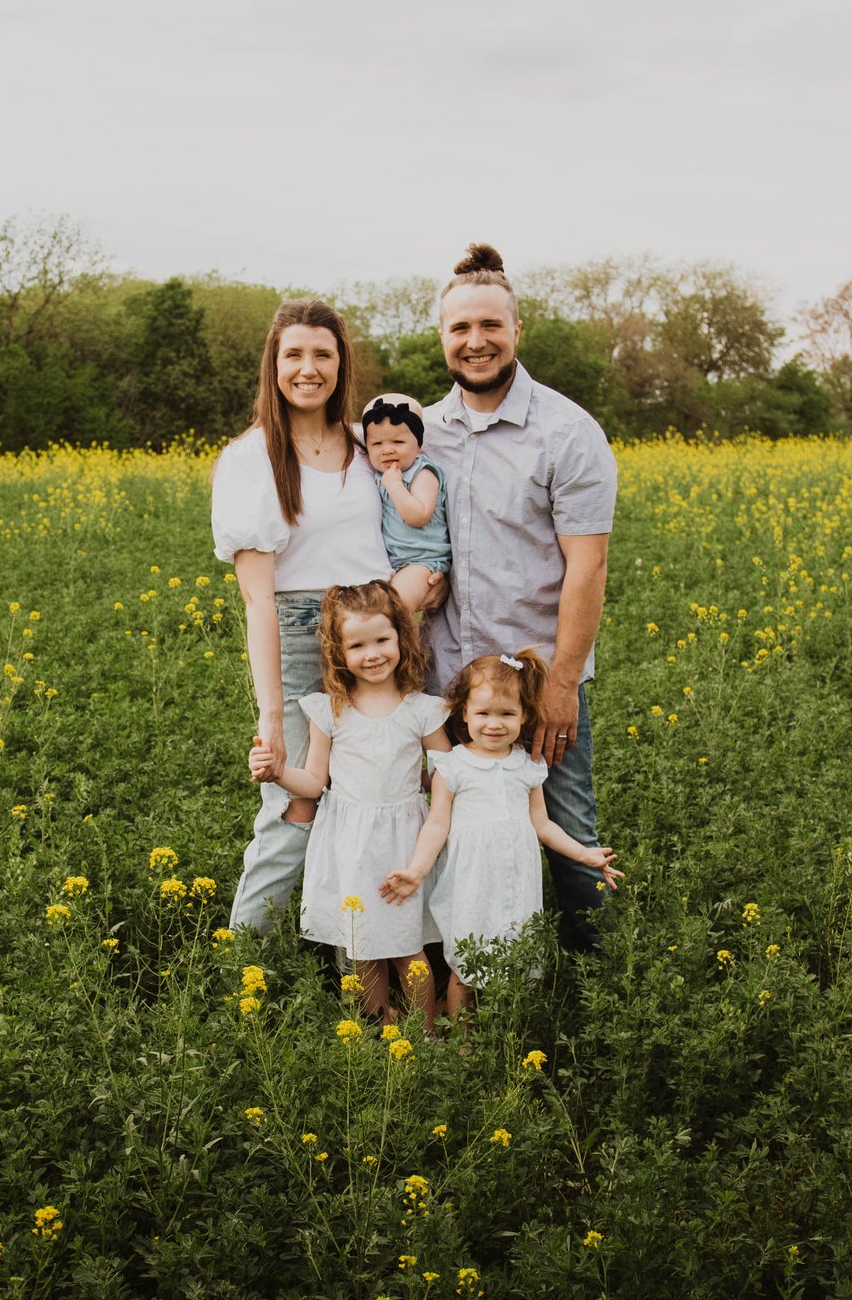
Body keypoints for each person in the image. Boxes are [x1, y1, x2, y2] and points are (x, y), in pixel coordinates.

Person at [418, 243, 619, 954]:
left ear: (517, 329)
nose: (475, 342)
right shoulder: (421, 433)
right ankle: (453, 982)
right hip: (444, 683)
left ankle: (599, 993)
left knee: (569, 837)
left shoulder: (568, 432)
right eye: (459, 328)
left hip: (538, 683)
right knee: (439, 830)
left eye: (490, 326)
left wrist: (562, 683)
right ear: (442, 337)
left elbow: (587, 569)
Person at [213, 299, 393, 934]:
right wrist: (272, 721)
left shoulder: (366, 446)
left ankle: (360, 952)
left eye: (323, 354)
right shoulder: (251, 457)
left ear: (342, 365)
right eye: (294, 354)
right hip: (298, 634)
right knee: (296, 805)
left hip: (378, 639)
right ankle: (243, 966)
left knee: (380, 799)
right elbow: (259, 599)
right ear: (274, 362)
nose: (308, 368)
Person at [249, 581, 453, 1020]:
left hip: (404, 841)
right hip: (349, 843)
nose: (373, 653)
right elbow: (314, 782)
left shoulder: (422, 710)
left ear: (401, 635)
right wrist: (277, 771)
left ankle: (426, 1031)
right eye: (357, 645)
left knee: (406, 946)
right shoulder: (331, 710)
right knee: (361, 947)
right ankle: (383, 1025)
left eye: (382, 639)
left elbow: (446, 776)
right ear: (339, 652)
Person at [384, 648, 621, 1014]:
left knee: (515, 951)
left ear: (525, 716)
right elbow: (437, 824)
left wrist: (583, 853)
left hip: (515, 877)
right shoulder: (453, 766)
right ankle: (462, 1041)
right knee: (467, 962)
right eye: (482, 713)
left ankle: (508, 1030)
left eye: (506, 714)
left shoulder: (527, 767)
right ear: (464, 713)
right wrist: (417, 871)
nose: (493, 724)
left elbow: (542, 824)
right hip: (472, 879)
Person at [359, 392, 450, 615]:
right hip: (394, 563)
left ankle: (406, 650)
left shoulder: (423, 473)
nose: (387, 449)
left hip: (422, 562)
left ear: (418, 443)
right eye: (377, 443)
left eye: (398, 442)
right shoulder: (380, 474)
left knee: (394, 610)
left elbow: (419, 515)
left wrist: (395, 486)